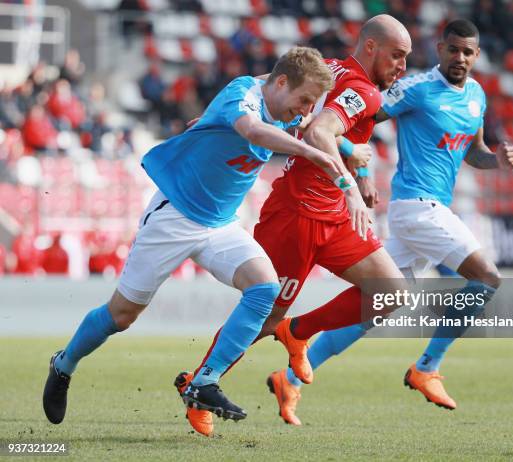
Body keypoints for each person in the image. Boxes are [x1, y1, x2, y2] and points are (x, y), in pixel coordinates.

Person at [42, 46, 354, 426]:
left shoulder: (284, 106)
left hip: (219, 224)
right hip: (174, 216)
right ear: (282, 82)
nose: (305, 110)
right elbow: (253, 130)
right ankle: (64, 364)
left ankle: (204, 382)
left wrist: (350, 148)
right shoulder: (243, 95)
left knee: (264, 289)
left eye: (311, 104)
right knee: (121, 315)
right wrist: (313, 154)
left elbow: (308, 126)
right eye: (304, 100)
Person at [264, 18, 513, 424]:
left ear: (476, 55)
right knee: (487, 278)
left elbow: (475, 152)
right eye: (453, 49)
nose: (460, 58)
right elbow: (358, 118)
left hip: (426, 213)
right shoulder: (415, 88)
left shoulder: (476, 97)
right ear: (439, 49)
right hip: (417, 207)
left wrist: (496, 161)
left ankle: (289, 379)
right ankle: (427, 367)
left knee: (375, 305)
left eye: (468, 52)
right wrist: (357, 170)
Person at [176, 14, 412, 435]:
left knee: (390, 292)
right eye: (397, 55)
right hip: (298, 216)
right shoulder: (363, 91)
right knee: (264, 316)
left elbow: (324, 123)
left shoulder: (334, 69)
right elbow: (322, 132)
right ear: (372, 47)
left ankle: (299, 331)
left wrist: (360, 176)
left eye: (407, 58)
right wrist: (353, 189)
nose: (402, 67)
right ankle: (199, 382)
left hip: (334, 217)